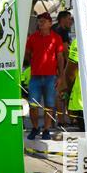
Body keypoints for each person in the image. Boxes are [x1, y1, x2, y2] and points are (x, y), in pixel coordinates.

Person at [24, 11, 65, 140]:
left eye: (43, 21)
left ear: (50, 23)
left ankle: (46, 129)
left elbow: (60, 58)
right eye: (39, 21)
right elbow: (28, 54)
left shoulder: (56, 38)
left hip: (50, 77)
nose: (40, 23)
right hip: (35, 76)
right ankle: (35, 128)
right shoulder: (33, 38)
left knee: (49, 104)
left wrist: (61, 76)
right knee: (33, 105)